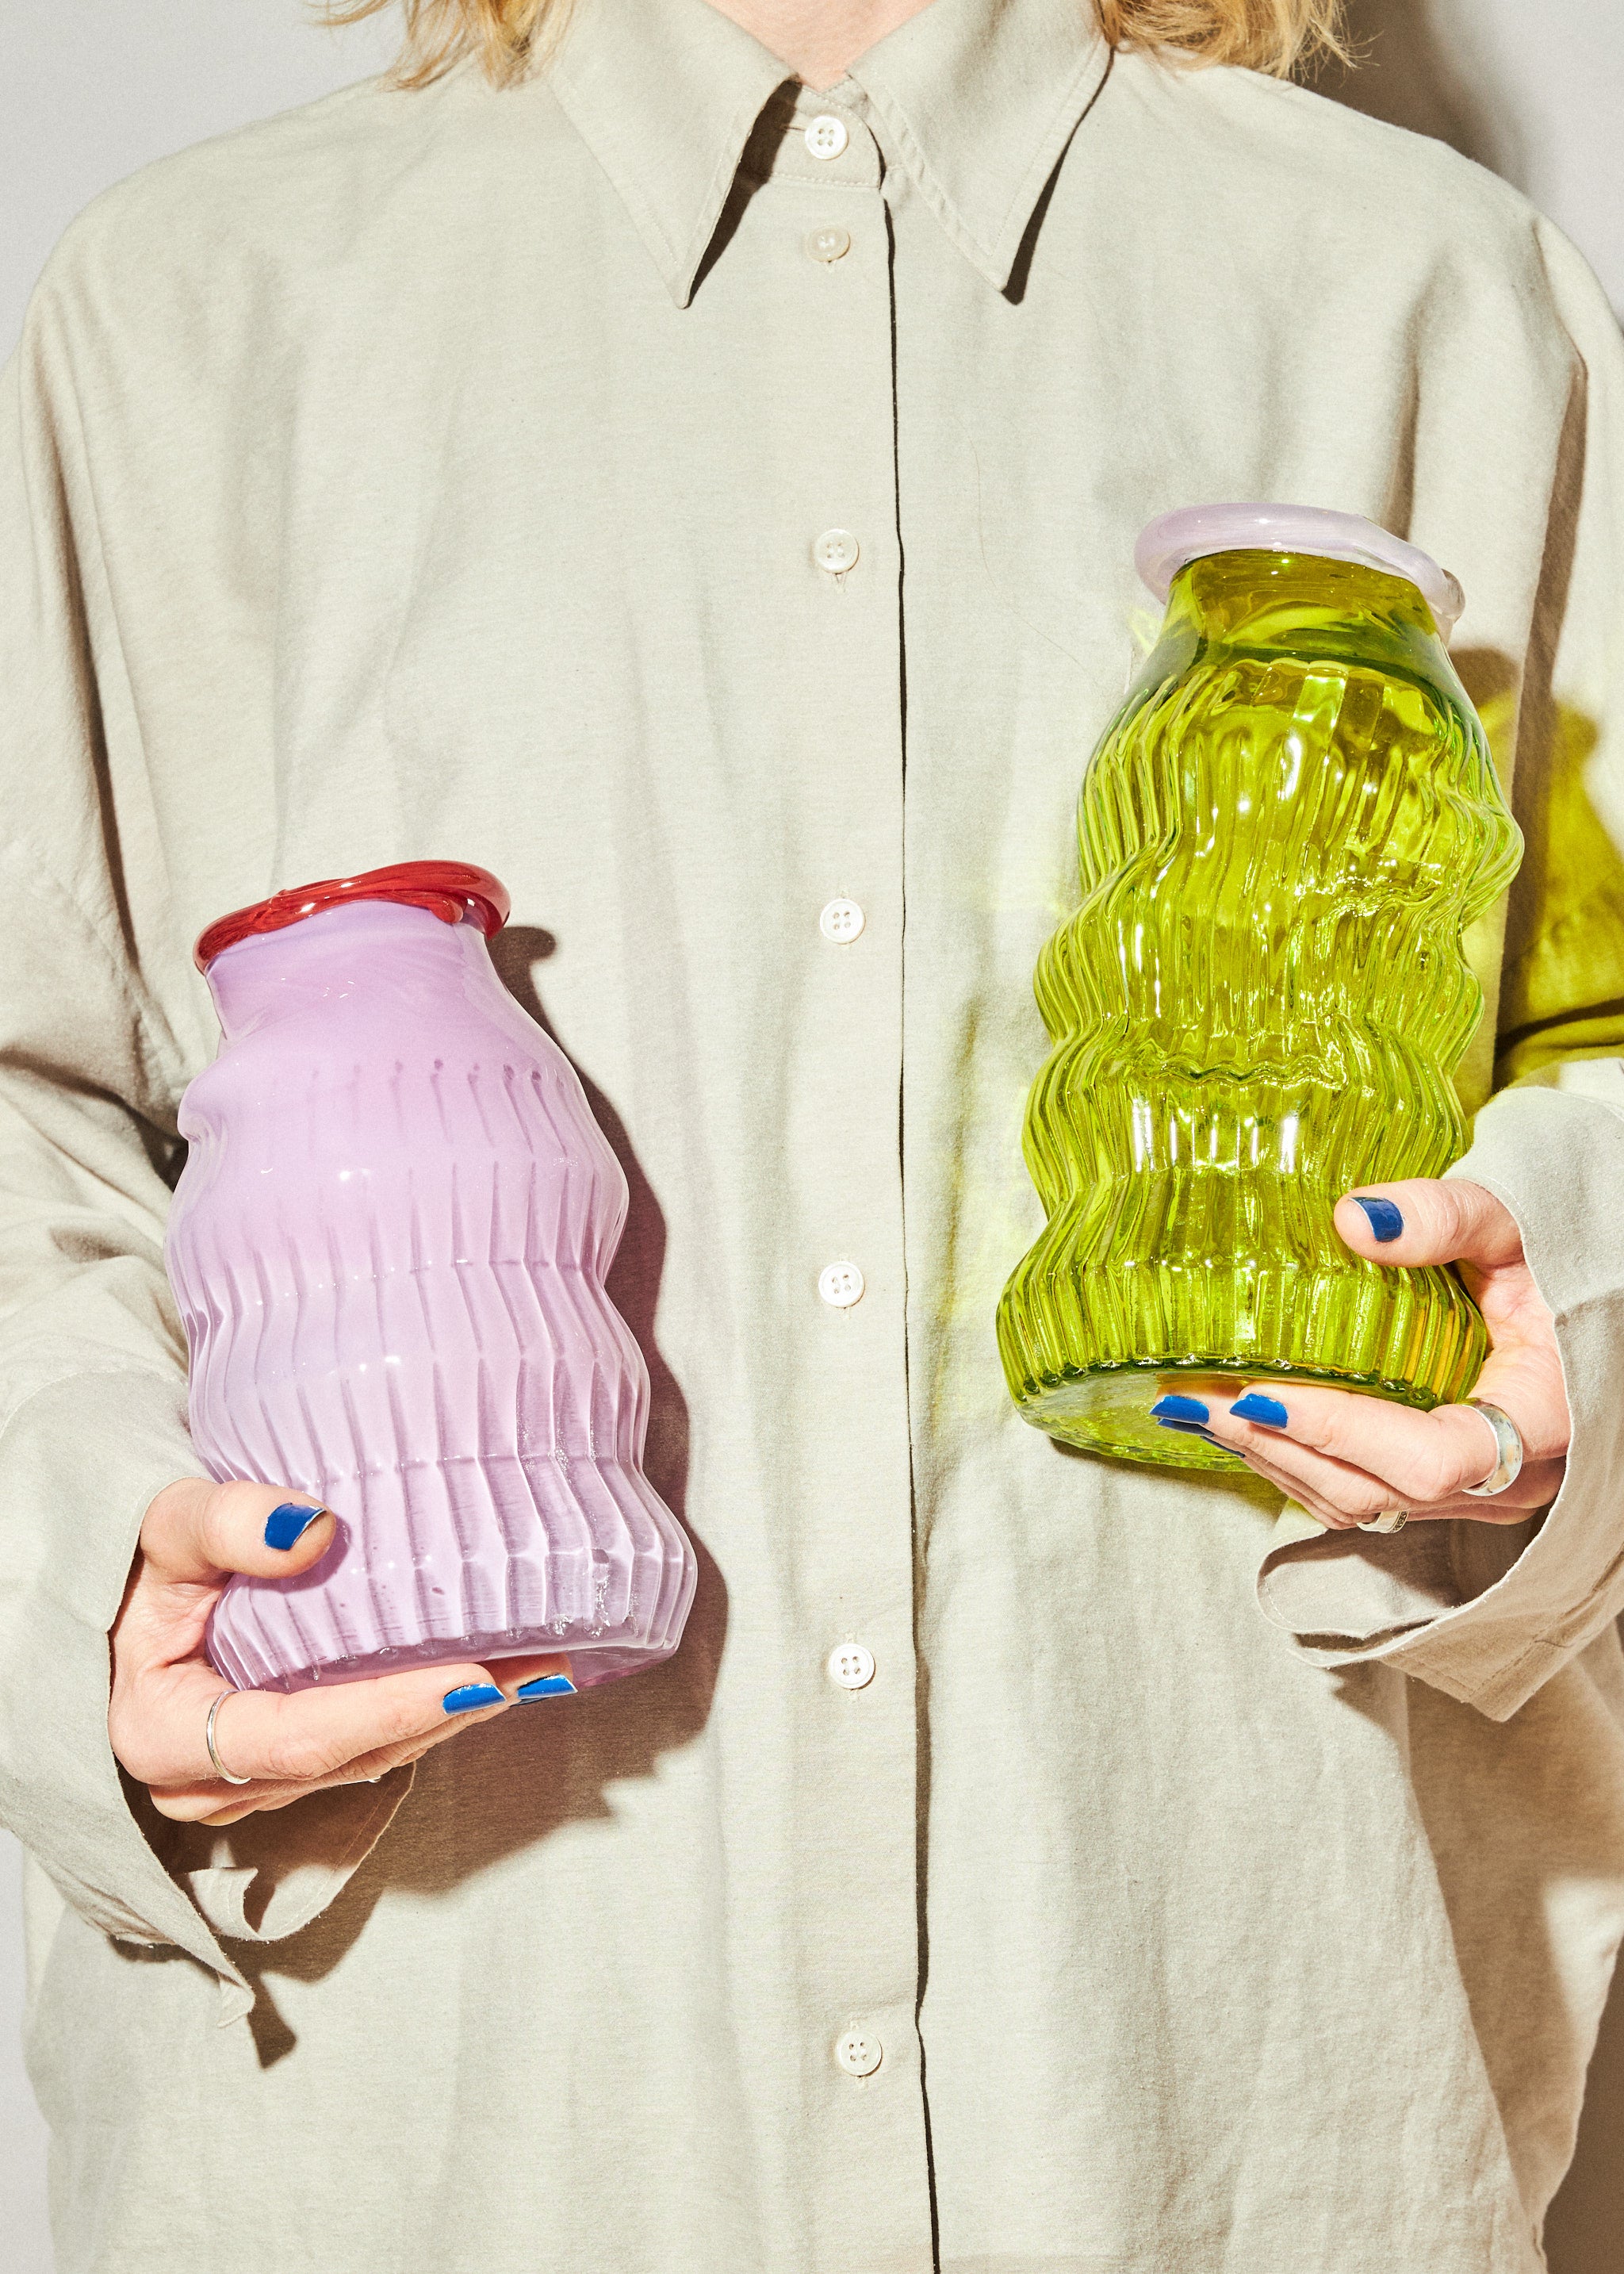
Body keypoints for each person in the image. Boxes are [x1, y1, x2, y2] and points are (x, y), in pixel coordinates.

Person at [2, 0, 1622, 2265]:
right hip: (430, 2140)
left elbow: (1600, 1055)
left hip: (1226, 2128)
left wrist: (1566, 1312)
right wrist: (90, 1560)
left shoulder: (1429, 288)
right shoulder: (193, 304)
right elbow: (34, 1106)